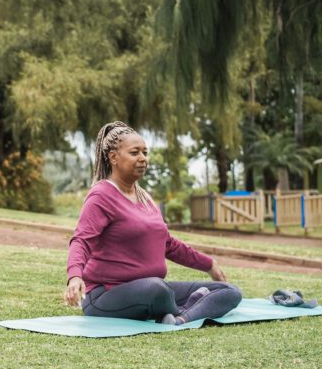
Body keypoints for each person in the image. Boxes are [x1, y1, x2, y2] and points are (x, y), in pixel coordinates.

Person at [64, 121, 241, 324]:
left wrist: (208, 264)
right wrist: (75, 276)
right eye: (135, 152)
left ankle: (181, 318)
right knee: (157, 289)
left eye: (145, 153)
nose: (143, 159)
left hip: (153, 290)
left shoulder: (145, 197)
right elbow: (81, 240)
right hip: (106, 294)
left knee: (230, 291)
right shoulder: (101, 195)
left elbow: (168, 244)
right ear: (113, 157)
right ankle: (189, 306)